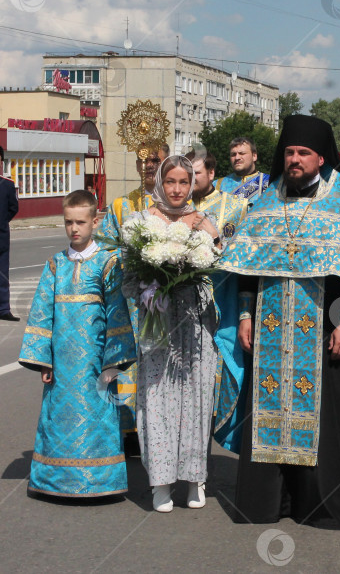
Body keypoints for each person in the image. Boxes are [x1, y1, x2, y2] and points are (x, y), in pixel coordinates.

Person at [215, 115, 340, 529]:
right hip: (268, 330)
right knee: (265, 414)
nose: (294, 160)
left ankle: (318, 507)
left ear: (320, 158)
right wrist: (243, 314)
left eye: (303, 153)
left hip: (325, 332)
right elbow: (246, 269)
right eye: (289, 152)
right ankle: (264, 504)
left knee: (323, 419)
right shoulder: (266, 203)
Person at [18, 190, 136, 497]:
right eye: (68, 222)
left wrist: (114, 362)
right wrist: (43, 359)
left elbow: (116, 313)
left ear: (95, 221)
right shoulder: (56, 264)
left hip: (95, 363)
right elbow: (43, 313)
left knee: (97, 415)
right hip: (61, 363)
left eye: (81, 222)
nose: (74, 228)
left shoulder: (107, 263)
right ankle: (54, 481)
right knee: (58, 417)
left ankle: (100, 481)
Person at [124, 156, 221, 512]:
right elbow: (127, 279)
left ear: (193, 183)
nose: (178, 190)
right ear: (159, 183)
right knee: (158, 397)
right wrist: (151, 289)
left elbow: (220, 268)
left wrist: (210, 244)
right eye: (171, 182)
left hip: (195, 324)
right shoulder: (141, 223)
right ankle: (160, 482)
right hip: (158, 323)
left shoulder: (204, 221)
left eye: (184, 182)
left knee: (196, 397)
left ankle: (196, 478)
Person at [96, 146, 164, 443]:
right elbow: (105, 247)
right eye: (143, 159)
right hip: (128, 300)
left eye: (155, 160)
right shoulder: (120, 205)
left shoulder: (173, 202)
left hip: (162, 301)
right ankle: (127, 431)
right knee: (126, 362)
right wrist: (128, 259)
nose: (148, 165)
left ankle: (157, 428)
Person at [186, 149, 248, 447]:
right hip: (183, 307)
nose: (189, 179)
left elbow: (242, 258)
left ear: (212, 174)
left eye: (196, 173)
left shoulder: (236, 207)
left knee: (218, 378)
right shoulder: (175, 206)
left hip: (221, 305)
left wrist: (214, 236)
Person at [214, 137, 271, 206]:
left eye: (242, 153)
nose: (237, 158)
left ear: (254, 156)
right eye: (233, 154)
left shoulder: (270, 183)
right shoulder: (217, 185)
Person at [0, 148, 19, 321]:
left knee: (3, 275)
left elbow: (13, 207)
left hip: (1, 238)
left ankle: (3, 309)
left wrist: (2, 221)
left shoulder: (7, 185)